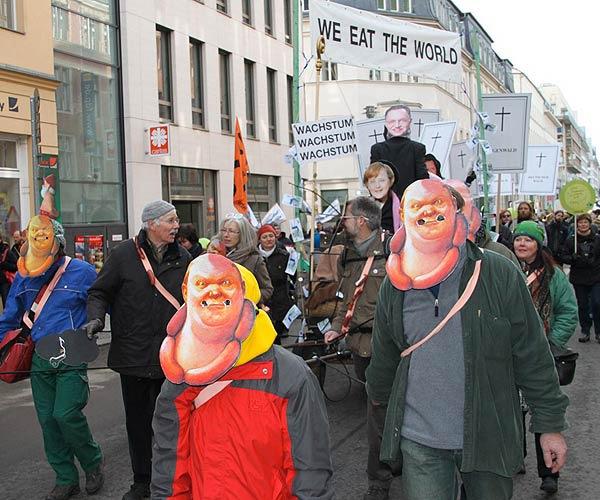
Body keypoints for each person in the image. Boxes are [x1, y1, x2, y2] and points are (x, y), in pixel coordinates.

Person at [366, 179, 568, 500]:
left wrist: (550, 424)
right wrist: (380, 403)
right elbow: (386, 356)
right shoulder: (395, 285)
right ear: (403, 220)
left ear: (459, 216)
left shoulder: (498, 272)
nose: (429, 214)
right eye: (417, 208)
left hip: (490, 436)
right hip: (420, 443)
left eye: (439, 206)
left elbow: (532, 354)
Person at [151, 255, 334, 498]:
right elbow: (170, 466)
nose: (215, 295)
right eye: (203, 286)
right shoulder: (183, 375)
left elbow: (310, 470)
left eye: (227, 284)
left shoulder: (290, 375)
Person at [84, 200, 191, 500]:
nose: (176, 225)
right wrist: (95, 318)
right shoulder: (123, 255)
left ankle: (170, 479)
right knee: (138, 424)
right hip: (132, 355)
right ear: (151, 223)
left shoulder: (183, 257)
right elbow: (99, 292)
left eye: (176, 220)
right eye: (170, 220)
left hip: (171, 356)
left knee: (170, 421)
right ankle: (142, 481)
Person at [0, 215, 104, 500]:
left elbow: (101, 304)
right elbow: (9, 318)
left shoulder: (83, 272)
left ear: (58, 244)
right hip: (38, 358)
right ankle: (65, 478)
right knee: (48, 421)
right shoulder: (23, 275)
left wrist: (97, 324)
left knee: (65, 414)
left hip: (71, 354)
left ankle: (93, 462)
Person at [323, 197, 395, 500]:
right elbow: (345, 298)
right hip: (358, 347)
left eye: (348, 217)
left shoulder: (393, 251)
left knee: (379, 416)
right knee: (379, 413)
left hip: (385, 348)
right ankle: (392, 463)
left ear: (362, 221)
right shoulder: (349, 254)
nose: (344, 222)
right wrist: (336, 326)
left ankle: (379, 481)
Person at [512, 221, 577, 494]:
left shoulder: (553, 275)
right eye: (518, 239)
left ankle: (549, 473)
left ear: (539, 244)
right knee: (512, 410)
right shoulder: (504, 269)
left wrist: (550, 343)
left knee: (543, 414)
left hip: (540, 354)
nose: (522, 244)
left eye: (528, 240)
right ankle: (515, 457)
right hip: (510, 352)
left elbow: (567, 312)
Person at [370, 105, 429, 201]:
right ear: (386, 124)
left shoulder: (377, 149)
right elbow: (422, 180)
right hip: (410, 203)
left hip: (398, 204)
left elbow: (422, 179)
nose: (397, 125)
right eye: (392, 121)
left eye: (402, 120)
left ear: (410, 122)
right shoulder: (417, 148)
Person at [559, 213, 600, 343]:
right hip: (579, 277)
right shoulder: (571, 240)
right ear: (577, 224)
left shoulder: (597, 239)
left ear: (589, 224)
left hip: (596, 276)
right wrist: (572, 258)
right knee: (582, 305)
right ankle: (585, 330)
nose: (583, 225)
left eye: (585, 222)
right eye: (580, 222)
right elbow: (563, 255)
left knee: (596, 302)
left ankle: (598, 330)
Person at [219, 214, 273, 305]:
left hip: (243, 312)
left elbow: (267, 289)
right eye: (224, 230)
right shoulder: (214, 254)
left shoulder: (254, 259)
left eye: (231, 231)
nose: (226, 235)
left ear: (242, 234)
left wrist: (247, 299)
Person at [257, 224, 295, 343]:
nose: (268, 239)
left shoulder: (284, 255)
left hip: (280, 300)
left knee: (276, 333)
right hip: (262, 300)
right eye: (265, 237)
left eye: (271, 236)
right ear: (259, 239)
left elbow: (294, 276)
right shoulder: (255, 257)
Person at [363, 161, 400, 234]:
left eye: (381, 180)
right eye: (372, 182)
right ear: (367, 185)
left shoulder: (403, 205)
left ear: (390, 181)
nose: (377, 186)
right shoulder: (360, 207)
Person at [0, 233, 17, 306]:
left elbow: (16, 266)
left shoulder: (6, 251)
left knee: (6, 304)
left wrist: (3, 264)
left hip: (5, 283)